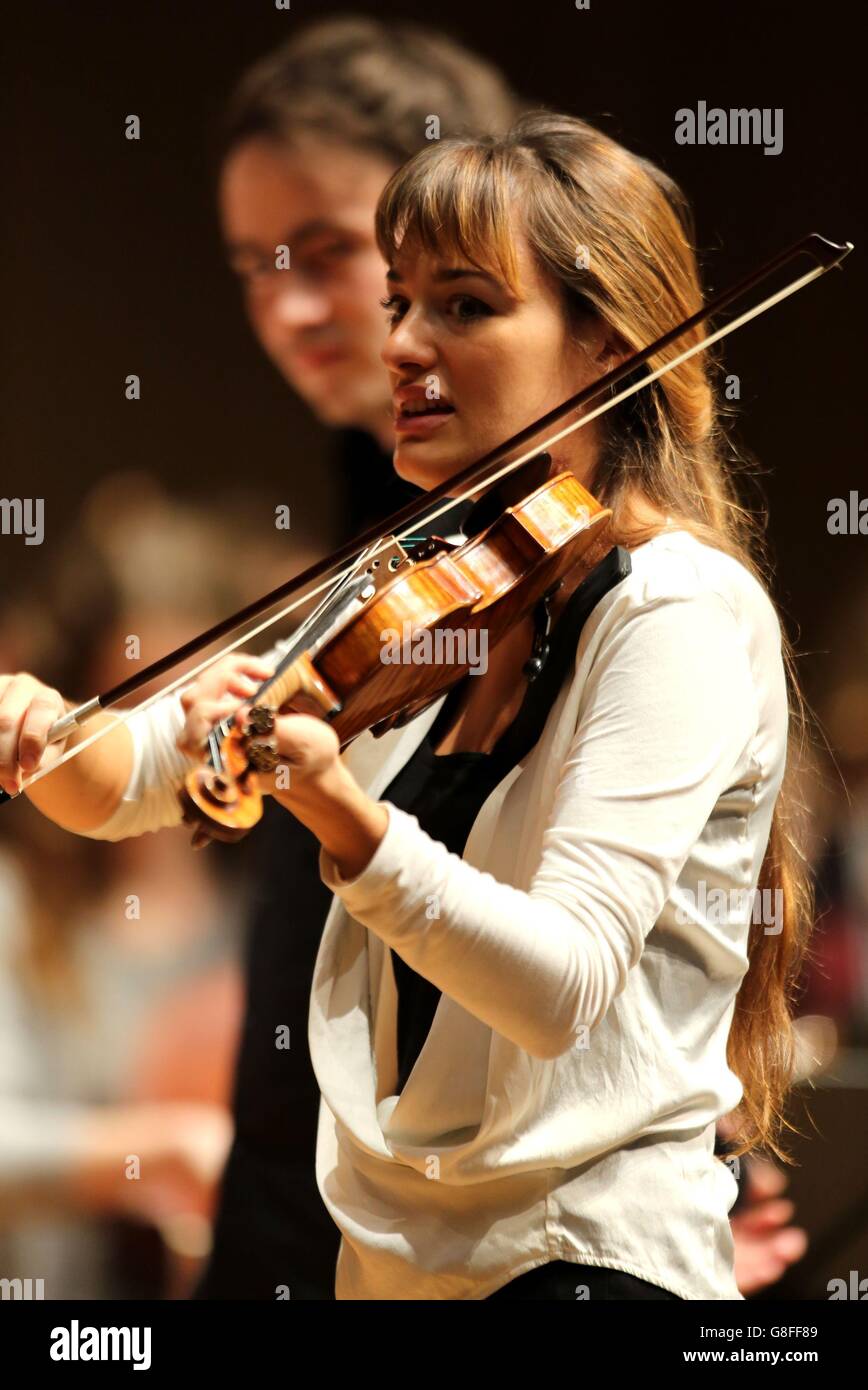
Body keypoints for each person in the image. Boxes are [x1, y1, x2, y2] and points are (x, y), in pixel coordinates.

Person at [2, 110, 817, 1299]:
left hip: (583, 1267)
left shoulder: (678, 610)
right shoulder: (412, 588)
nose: (402, 343)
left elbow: (559, 985)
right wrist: (40, 732)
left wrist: (341, 811)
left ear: (604, 345)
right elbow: (127, 780)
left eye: (466, 306)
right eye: (399, 302)